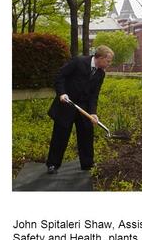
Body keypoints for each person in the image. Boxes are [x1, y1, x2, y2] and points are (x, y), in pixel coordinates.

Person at [46, 45, 114, 174]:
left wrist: (93, 112)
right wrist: (62, 93)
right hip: (67, 103)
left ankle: (87, 164)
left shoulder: (100, 74)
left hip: (84, 107)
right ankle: (53, 164)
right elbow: (60, 76)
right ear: (100, 57)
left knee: (87, 133)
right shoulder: (78, 62)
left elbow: (94, 95)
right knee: (60, 135)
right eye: (108, 61)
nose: (109, 64)